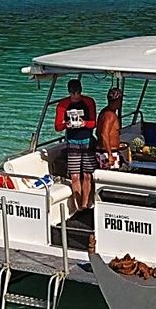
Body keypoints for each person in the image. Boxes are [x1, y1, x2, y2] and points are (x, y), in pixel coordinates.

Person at [53, 78, 97, 210]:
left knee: (88, 175)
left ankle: (86, 203)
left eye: (77, 93)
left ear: (81, 91)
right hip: (72, 142)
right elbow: (57, 126)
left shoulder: (89, 102)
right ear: (69, 93)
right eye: (73, 94)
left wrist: (84, 124)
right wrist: (66, 125)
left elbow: (93, 123)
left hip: (87, 141)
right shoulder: (63, 104)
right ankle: (79, 207)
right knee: (75, 175)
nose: (75, 96)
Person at [96, 86, 125, 170]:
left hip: (106, 151)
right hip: (108, 153)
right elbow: (104, 134)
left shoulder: (104, 111)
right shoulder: (110, 115)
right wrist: (110, 154)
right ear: (118, 100)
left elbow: (98, 132)